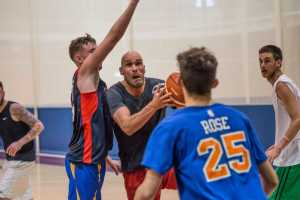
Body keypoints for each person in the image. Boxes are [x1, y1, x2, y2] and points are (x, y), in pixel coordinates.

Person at [134, 47, 278, 200]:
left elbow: (147, 193)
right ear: (215, 83)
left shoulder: (170, 127)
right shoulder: (238, 118)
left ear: (180, 82)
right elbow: (271, 180)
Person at [65, 1, 140, 200]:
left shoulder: (100, 84)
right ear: (80, 59)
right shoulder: (84, 73)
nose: (98, 54)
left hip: (94, 158)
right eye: (92, 51)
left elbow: (92, 124)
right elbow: (114, 36)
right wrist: (133, 3)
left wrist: (104, 156)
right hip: (83, 160)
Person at [106, 51, 177, 200]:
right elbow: (127, 126)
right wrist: (154, 105)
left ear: (144, 68)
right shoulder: (114, 94)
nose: (134, 68)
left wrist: (186, 88)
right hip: (135, 166)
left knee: (198, 176)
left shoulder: (160, 87)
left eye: (138, 63)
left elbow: (187, 108)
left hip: (163, 160)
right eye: (129, 65)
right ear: (121, 71)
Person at [258, 45, 300, 200]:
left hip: (294, 156)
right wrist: (277, 145)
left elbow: (298, 118)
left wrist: (279, 147)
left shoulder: (281, 85)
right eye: (261, 61)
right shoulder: (283, 83)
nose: (263, 65)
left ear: (278, 62)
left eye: (267, 61)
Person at [0, 81, 44, 200]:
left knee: (3, 195)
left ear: (3, 92)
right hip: (11, 160)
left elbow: (39, 126)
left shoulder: (14, 108)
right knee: (24, 196)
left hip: (23, 159)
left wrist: (20, 143)